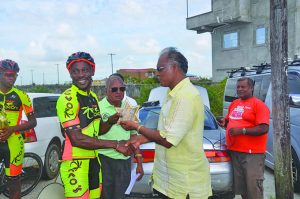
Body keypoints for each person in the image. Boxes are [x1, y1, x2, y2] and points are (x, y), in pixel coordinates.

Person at [120, 47, 212, 199]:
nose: (156, 74)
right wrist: (142, 138)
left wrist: (137, 127)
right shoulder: (172, 94)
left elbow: (168, 140)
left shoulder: (186, 96)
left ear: (175, 67)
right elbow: (168, 130)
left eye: (160, 69)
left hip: (184, 186)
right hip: (169, 182)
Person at [56, 52, 132, 199]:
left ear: (92, 71)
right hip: (75, 164)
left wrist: (110, 121)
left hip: (94, 161)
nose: (80, 75)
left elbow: (98, 131)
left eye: (84, 70)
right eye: (75, 71)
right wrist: (115, 144)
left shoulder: (93, 97)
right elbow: (77, 139)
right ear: (70, 74)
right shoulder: (67, 98)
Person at [217, 77, 270, 199]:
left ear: (251, 88)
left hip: (252, 155)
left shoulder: (259, 105)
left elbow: (263, 128)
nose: (240, 89)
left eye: (243, 87)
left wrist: (242, 131)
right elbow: (230, 120)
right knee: (242, 189)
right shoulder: (235, 104)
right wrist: (224, 122)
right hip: (235, 152)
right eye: (238, 87)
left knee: (253, 189)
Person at [98, 75, 143, 199]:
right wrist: (109, 122)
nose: (118, 92)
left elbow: (134, 136)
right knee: (104, 195)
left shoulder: (128, 108)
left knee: (120, 195)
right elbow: (95, 135)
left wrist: (139, 162)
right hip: (104, 160)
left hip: (124, 161)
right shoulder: (98, 108)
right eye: (114, 89)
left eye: (122, 89)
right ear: (106, 90)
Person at [0, 59, 37, 199]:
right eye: (8, 74)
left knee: (14, 183)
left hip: (14, 143)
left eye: (14, 75)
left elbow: (33, 122)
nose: (12, 78)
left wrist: (11, 129)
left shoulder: (22, 95)